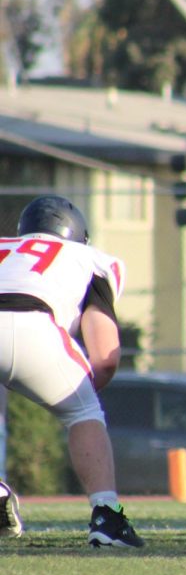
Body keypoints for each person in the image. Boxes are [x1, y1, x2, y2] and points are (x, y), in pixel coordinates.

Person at [0, 195, 143, 547]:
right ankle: (107, 519)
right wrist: (71, 392)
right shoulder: (89, 258)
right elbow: (105, 355)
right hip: (34, 323)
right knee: (84, 412)